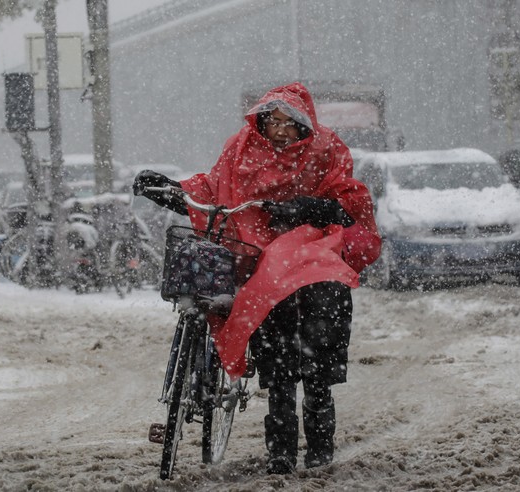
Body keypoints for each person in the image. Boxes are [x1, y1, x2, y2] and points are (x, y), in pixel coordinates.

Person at [133, 82, 381, 474]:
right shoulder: (241, 147)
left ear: (305, 125)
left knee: (317, 365)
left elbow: (350, 202)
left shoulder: (326, 149)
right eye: (274, 121)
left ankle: (319, 447)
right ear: (261, 122)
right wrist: (173, 190)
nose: (281, 130)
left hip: (314, 258)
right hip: (256, 260)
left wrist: (305, 208)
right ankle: (280, 455)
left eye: (290, 122)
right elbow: (215, 187)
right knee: (278, 367)